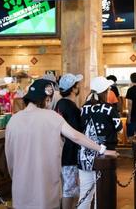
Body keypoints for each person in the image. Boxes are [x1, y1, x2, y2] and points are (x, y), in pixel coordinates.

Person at [5, 79, 115, 209]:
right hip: (45, 187)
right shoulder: (52, 116)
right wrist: (101, 149)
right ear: (47, 98)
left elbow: (9, 158)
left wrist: (16, 177)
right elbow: (76, 136)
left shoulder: (13, 120)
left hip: (20, 187)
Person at [78, 77, 123, 209]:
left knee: (85, 195)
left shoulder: (83, 108)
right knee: (102, 195)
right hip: (105, 157)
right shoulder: (109, 109)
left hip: (84, 157)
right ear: (104, 92)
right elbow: (120, 129)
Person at [55, 74, 84, 209]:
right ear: (73, 89)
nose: (79, 87)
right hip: (70, 153)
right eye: (77, 84)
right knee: (69, 189)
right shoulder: (71, 107)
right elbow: (76, 133)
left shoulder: (60, 104)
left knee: (68, 188)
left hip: (62, 151)